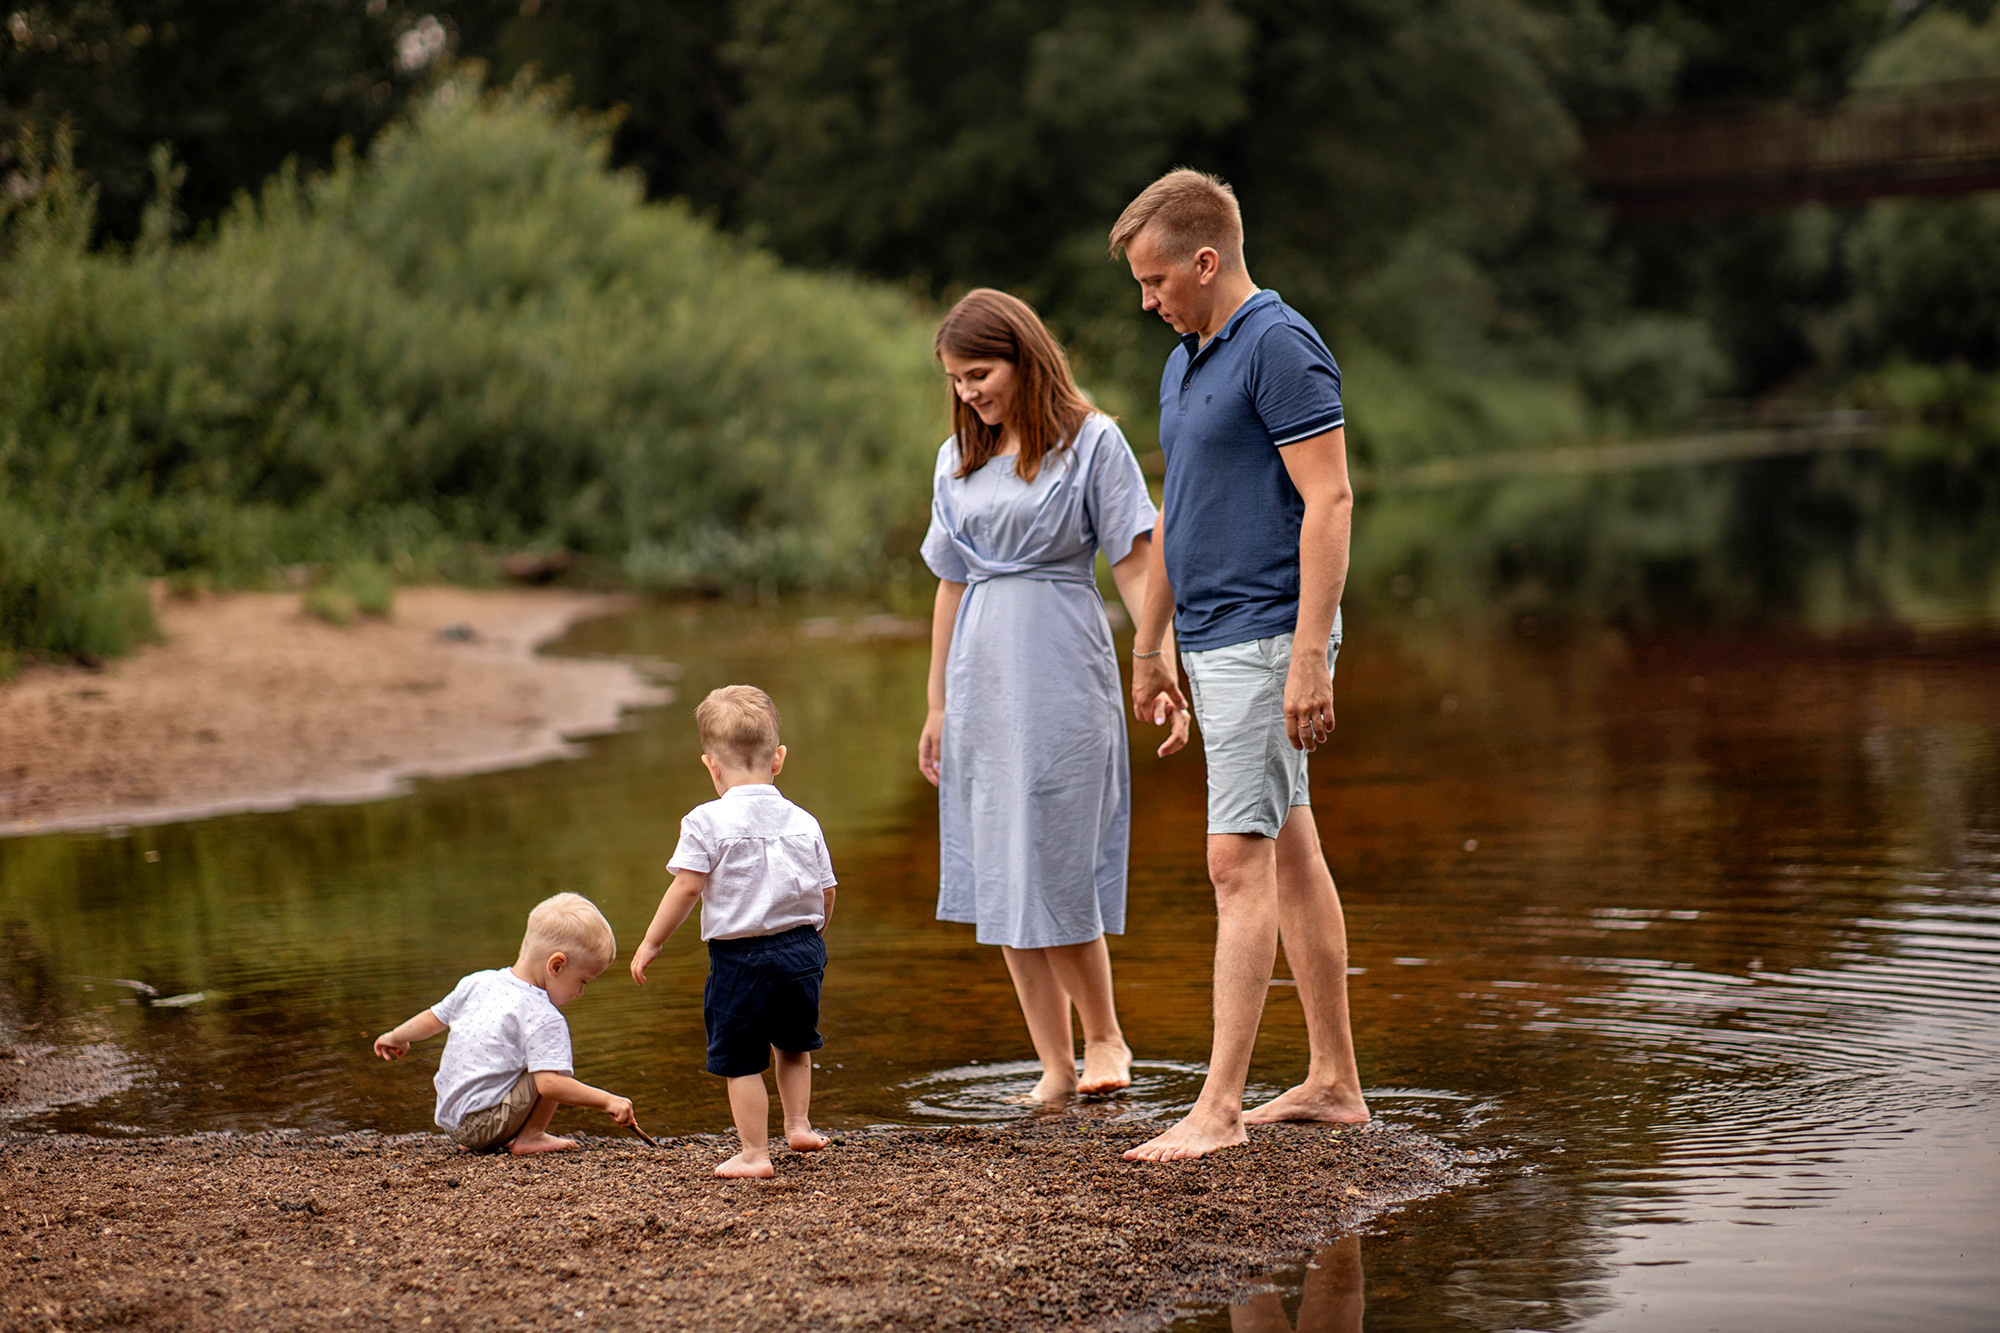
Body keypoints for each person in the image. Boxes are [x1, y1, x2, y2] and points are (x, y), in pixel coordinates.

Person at [1111, 169, 1371, 1161]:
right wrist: (1149, 643)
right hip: (1212, 636)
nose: (1149, 301)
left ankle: (1218, 1108)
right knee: (1290, 849)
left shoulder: (1278, 345)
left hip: (1268, 635)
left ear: (1206, 260)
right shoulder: (1185, 363)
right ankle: (1333, 1082)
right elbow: (1175, 514)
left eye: (1156, 280)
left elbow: (1329, 500)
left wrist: (1309, 656)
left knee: (1236, 860)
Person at [918, 288, 1187, 1103]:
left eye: (980, 373)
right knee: (1003, 869)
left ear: (1024, 359)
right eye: (957, 379)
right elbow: (950, 583)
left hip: (1064, 664)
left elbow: (1136, 561)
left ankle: (1105, 1036)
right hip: (980, 677)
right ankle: (1055, 1063)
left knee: (1059, 858)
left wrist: (1158, 657)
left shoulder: (1091, 441)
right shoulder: (956, 459)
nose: (968, 392)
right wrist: (936, 706)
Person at [631, 684, 837, 1179]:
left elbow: (686, 888)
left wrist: (652, 941)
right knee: (794, 1044)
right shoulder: (804, 820)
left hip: (740, 958)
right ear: (778, 758)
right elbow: (827, 888)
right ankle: (799, 1126)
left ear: (712, 766)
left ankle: (754, 1153)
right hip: (802, 950)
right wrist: (815, 933)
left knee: (741, 1058)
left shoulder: (705, 821)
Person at [372, 891, 636, 1154]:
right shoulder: (545, 1016)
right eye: (582, 982)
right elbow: (549, 1085)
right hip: (487, 1127)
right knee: (553, 1067)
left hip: (452, 1121)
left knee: (536, 1057)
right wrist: (607, 1100)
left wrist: (395, 1036)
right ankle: (532, 1136)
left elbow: (433, 1020)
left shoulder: (477, 982)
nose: (580, 993)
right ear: (556, 966)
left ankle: (483, 1136)